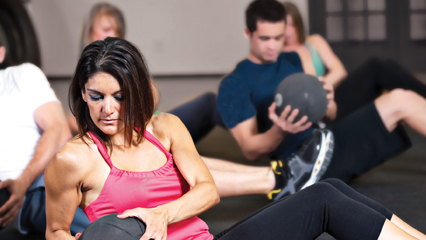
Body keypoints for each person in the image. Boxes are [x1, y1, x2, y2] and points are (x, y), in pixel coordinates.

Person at [45, 36, 426, 240]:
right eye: (96, 97)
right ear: (82, 94)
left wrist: (159, 215)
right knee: (325, 200)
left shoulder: (165, 129)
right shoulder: (73, 160)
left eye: (119, 96)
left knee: (328, 190)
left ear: (137, 92)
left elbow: (207, 191)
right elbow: (56, 231)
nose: (108, 109)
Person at [216, 0, 426, 201]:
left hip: (329, 138)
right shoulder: (234, 84)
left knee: (400, 97)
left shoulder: (294, 59)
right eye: (264, 38)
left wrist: (327, 101)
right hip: (303, 166)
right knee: (401, 101)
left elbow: (330, 115)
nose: (272, 46)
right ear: (248, 33)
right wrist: (279, 130)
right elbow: (250, 150)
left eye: (278, 38)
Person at [0, 43, 90, 235]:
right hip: (3, 202)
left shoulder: (22, 76)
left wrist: (23, 182)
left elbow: (58, 129)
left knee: (54, 194)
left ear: (0, 54)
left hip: (36, 185)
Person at [282, 1, 426, 121]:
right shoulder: (281, 55)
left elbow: (339, 71)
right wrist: (318, 90)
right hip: (322, 106)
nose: (288, 31)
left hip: (332, 91)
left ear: (298, 24)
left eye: (291, 25)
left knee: (379, 66)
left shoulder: (313, 41)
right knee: (377, 69)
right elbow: (302, 89)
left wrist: (323, 86)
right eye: (284, 26)